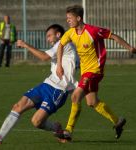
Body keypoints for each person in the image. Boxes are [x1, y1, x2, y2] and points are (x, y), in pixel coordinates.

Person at [55, 5, 136, 143]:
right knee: (92, 102)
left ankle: (68, 131)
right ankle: (118, 121)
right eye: (67, 18)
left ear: (79, 18)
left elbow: (113, 36)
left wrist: (130, 48)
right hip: (85, 72)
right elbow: (61, 45)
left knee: (75, 96)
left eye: (70, 18)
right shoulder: (71, 33)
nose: (67, 20)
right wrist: (58, 65)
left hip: (95, 71)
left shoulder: (93, 31)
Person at [0, 24, 78, 144]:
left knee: (36, 122)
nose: (47, 39)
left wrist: (25, 45)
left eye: (49, 35)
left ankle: (56, 128)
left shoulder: (63, 43)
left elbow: (44, 57)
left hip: (58, 90)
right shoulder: (59, 46)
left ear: (58, 34)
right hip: (46, 84)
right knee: (18, 106)